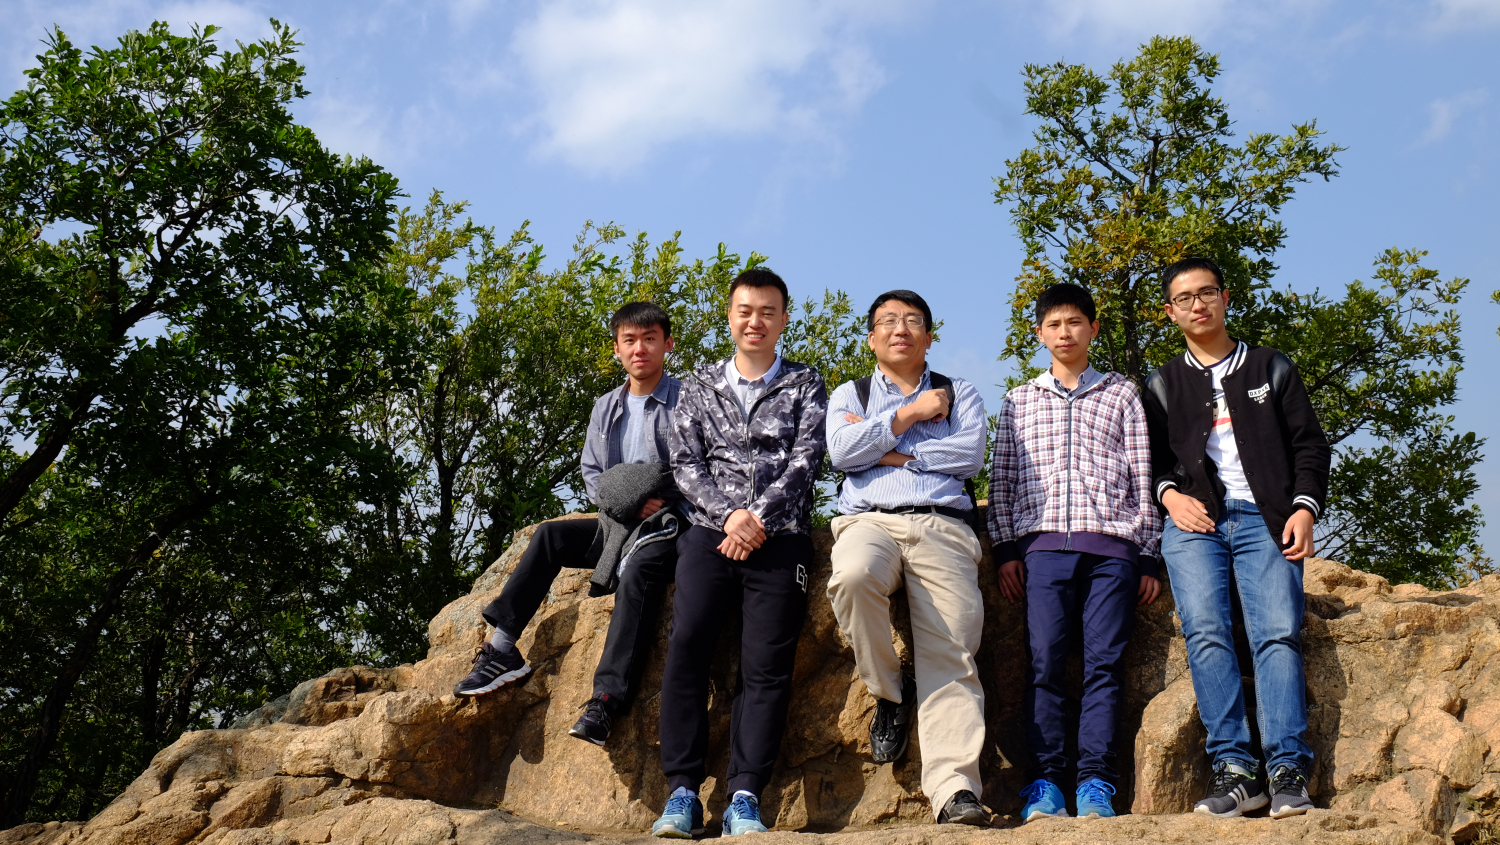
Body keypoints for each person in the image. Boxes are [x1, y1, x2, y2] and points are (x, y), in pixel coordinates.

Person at [1143, 256, 1329, 819]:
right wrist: (1170, 496)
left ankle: (1287, 770)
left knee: (1276, 635)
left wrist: (1304, 508)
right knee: (1205, 632)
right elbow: (1149, 459)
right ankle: (1236, 770)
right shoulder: (1162, 383)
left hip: (1266, 519)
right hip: (1193, 524)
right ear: (1170, 312)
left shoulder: (1271, 367)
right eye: (1184, 298)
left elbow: (1310, 444)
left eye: (1207, 293)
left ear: (1225, 298)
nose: (1197, 304)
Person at [454, 302, 682, 747]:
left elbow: (694, 466)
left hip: (665, 523)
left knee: (638, 573)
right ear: (616, 348)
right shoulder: (606, 407)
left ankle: (605, 701)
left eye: (650, 339)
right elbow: (593, 474)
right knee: (550, 535)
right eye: (630, 340)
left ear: (667, 344)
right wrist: (628, 499)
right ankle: (501, 648)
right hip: (618, 522)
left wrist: (650, 496)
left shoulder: (687, 401)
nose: (640, 349)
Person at [651, 267, 828, 839]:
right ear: (729, 317)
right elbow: (685, 463)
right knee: (687, 645)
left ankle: (745, 796)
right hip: (710, 532)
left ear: (784, 319)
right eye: (745, 311)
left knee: (766, 666)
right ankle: (681, 792)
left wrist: (758, 520)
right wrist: (730, 516)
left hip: (782, 538)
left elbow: (807, 460)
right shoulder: (698, 385)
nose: (756, 322)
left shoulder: (805, 382)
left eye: (768, 312)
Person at [989, 282, 1163, 822]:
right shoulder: (1019, 400)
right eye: (1054, 324)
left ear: (1093, 327)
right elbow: (1002, 482)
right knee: (1044, 662)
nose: (1065, 333)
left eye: (1075, 322)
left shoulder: (1121, 393)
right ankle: (1045, 782)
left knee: (1103, 665)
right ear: (1039, 333)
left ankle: (1095, 782)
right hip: (1042, 550)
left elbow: (1142, 474)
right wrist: (1005, 550)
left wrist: (1148, 554)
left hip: (1112, 549)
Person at [824, 290, 991, 826]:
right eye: (889, 321)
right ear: (872, 338)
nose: (901, 329)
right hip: (868, 521)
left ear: (929, 336)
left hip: (942, 524)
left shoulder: (959, 391)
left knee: (953, 646)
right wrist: (912, 414)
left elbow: (969, 456)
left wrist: (891, 450)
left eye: (913, 321)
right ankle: (891, 693)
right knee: (852, 576)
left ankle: (954, 789)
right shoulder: (848, 392)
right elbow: (842, 453)